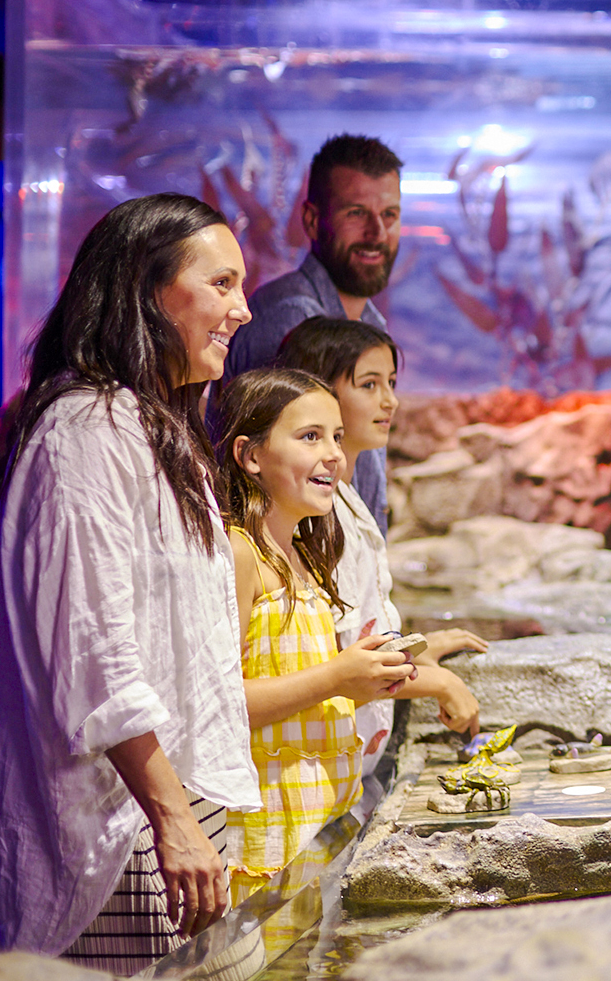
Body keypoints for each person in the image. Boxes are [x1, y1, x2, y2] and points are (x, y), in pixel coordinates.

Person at [0, 193, 261, 972]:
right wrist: (171, 817)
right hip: (118, 828)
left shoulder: (151, 424)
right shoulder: (86, 431)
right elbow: (93, 650)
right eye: (221, 284)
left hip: (172, 804)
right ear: (147, 288)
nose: (241, 309)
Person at [211, 368, 419, 902]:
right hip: (265, 840)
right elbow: (222, 705)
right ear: (251, 455)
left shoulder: (304, 556)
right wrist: (335, 677)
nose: (334, 455)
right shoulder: (239, 555)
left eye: (336, 437)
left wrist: (367, 674)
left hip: (318, 829)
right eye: (310, 437)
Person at [273, 316, 487, 816]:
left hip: (352, 770)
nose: (389, 400)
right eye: (369, 385)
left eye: (391, 383)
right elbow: (343, 659)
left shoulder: (342, 497)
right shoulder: (314, 513)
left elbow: (362, 630)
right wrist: (441, 681)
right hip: (317, 781)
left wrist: (420, 646)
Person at [212, 133, 404, 535]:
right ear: (313, 220)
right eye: (356, 213)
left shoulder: (371, 324)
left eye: (389, 215)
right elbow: (268, 486)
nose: (376, 232)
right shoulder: (290, 320)